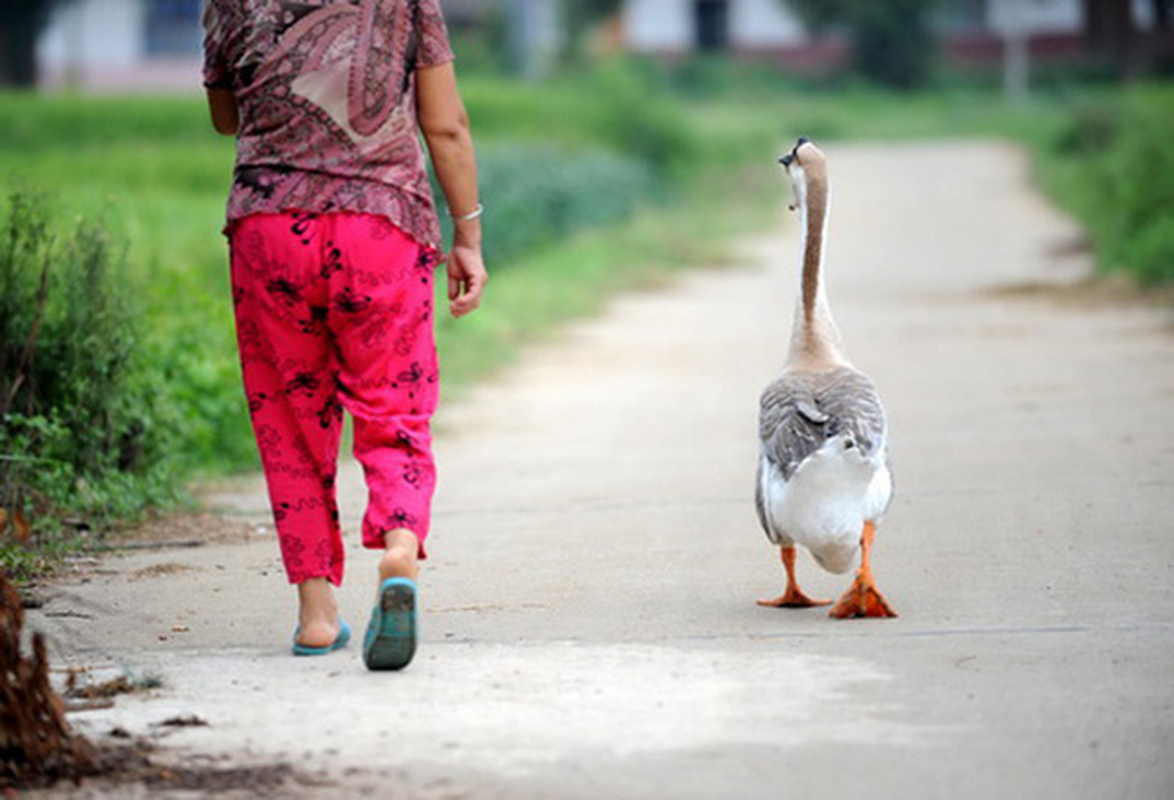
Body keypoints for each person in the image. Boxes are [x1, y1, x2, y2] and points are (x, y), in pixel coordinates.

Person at [202, 0, 486, 671]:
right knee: (395, 408)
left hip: (270, 229)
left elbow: (225, 116)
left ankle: (316, 616)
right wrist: (468, 234)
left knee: (289, 421)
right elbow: (445, 125)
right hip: (382, 225)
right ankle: (399, 544)